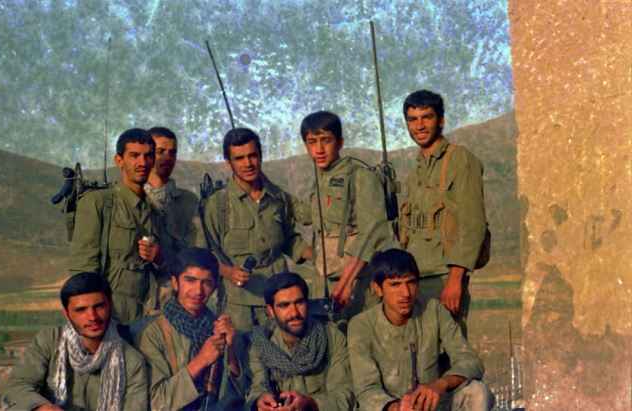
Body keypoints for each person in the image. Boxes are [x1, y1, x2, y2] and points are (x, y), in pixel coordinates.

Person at [347, 249, 493, 411]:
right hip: (390, 408)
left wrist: (439, 385)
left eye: (410, 282)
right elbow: (366, 389)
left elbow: (472, 362)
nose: (405, 293)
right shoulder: (361, 326)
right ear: (378, 288)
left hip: (433, 405)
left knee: (478, 393)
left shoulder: (434, 311)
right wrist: (397, 408)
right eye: (395, 284)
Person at [201, 127, 312, 333]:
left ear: (261, 156)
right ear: (228, 163)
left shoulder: (277, 197)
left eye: (252, 155)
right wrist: (228, 271)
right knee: (241, 353)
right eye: (239, 158)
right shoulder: (217, 204)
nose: (248, 164)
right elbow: (202, 254)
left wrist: (317, 256)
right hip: (239, 305)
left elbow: (288, 239)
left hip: (280, 298)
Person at [399, 90, 487, 335]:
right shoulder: (416, 170)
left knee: (449, 349)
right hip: (415, 278)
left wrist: (455, 280)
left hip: (444, 277)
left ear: (441, 120)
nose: (419, 126)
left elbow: (473, 224)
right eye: (412, 119)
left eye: (426, 117)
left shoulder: (460, 160)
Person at [69, 128, 171, 328]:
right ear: (119, 160)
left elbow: (168, 267)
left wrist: (159, 257)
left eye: (148, 156)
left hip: (145, 315)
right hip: (109, 315)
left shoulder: (153, 211)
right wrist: (92, 316)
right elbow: (83, 266)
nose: (142, 163)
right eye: (134, 155)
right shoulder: (99, 202)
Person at [3, 272, 148, 410]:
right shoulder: (50, 340)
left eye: (99, 306)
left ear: (111, 305)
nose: (92, 317)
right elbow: (16, 385)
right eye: (81, 310)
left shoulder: (130, 361)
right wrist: (44, 408)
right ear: (66, 314)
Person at [299, 111, 391, 326]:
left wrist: (345, 283)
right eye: (312, 142)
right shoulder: (320, 181)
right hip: (325, 281)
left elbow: (373, 233)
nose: (319, 149)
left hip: (358, 284)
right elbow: (303, 214)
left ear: (340, 142)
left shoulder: (361, 176)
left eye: (326, 140)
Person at [136, 247, 244, 410]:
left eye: (206, 283)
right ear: (175, 283)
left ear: (214, 287)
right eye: (190, 280)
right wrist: (201, 360)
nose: (198, 291)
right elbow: (156, 402)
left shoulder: (218, 328)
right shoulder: (152, 333)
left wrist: (230, 351)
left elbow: (239, 395)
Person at [246, 272, 355, 411]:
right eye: (284, 305)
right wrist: (260, 400)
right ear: (271, 310)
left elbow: (345, 394)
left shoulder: (332, 337)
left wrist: (310, 403)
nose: (294, 313)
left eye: (299, 302)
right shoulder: (261, 343)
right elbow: (256, 387)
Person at [145, 126, 202, 309]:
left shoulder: (187, 201)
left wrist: (163, 258)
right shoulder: (130, 198)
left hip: (172, 297)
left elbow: (194, 252)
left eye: (172, 152)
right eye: (160, 151)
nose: (167, 157)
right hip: (134, 296)